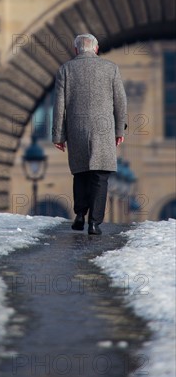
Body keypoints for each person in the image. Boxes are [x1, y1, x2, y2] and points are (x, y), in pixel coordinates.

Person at [52, 33, 127, 235]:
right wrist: (120, 130)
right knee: (100, 177)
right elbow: (120, 102)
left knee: (81, 173)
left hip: (77, 129)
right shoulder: (111, 68)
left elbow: (59, 106)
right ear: (96, 48)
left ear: (76, 50)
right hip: (104, 130)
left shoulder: (65, 69)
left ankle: (79, 215)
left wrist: (58, 135)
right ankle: (94, 223)